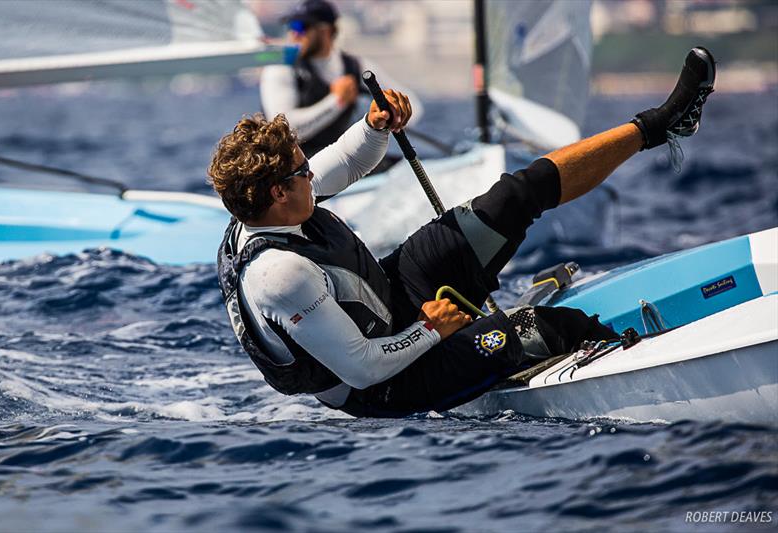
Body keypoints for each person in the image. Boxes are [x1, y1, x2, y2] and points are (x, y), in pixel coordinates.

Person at [211, 48, 716, 417]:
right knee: (548, 327)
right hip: (381, 382)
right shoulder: (279, 275)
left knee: (517, 195)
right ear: (277, 192)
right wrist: (432, 329)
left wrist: (375, 125)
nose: (310, 175)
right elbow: (362, 368)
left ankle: (662, 123)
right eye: (302, 171)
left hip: (393, 294)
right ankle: (676, 379)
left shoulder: (274, 203)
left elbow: (345, 160)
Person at [260, 0, 422, 159]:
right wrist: (337, 102)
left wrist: (390, 117)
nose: (293, 34)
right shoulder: (280, 68)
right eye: (290, 27)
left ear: (326, 30)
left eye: (300, 27)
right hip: (290, 167)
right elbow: (285, 130)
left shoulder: (356, 66)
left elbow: (413, 106)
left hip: (335, 160)